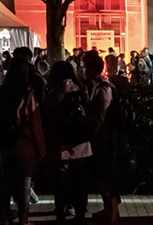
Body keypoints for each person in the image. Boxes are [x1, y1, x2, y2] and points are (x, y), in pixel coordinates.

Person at [0, 54, 45, 225]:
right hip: (23, 143)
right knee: (24, 181)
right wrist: (41, 149)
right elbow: (34, 122)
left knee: (5, 181)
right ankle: (24, 218)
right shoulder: (27, 92)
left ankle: (5, 217)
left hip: (3, 143)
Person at [43, 61, 93, 225]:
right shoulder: (81, 89)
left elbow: (47, 114)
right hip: (81, 144)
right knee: (80, 180)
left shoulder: (54, 92)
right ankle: (80, 212)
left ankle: (61, 212)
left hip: (61, 145)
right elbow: (89, 112)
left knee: (61, 181)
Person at [81, 50, 120, 223]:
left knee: (105, 173)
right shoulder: (93, 85)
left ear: (90, 68)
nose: (80, 70)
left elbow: (101, 115)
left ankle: (111, 212)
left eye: (83, 67)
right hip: (101, 137)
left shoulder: (103, 87)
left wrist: (92, 131)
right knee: (102, 174)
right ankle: (109, 210)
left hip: (104, 138)